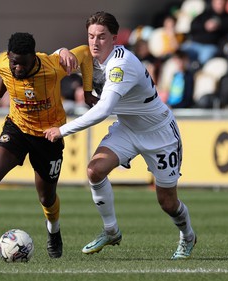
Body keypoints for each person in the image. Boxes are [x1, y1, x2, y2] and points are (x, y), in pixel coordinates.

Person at [44, 11, 197, 260]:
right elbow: (49, 63)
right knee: (94, 170)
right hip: (127, 128)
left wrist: (61, 131)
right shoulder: (89, 55)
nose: (95, 42)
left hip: (159, 133)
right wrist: (61, 51)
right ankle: (111, 230)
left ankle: (188, 235)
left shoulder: (121, 64)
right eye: (91, 36)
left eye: (102, 37)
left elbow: (103, 111)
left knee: (167, 202)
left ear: (114, 38)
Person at [0, 32, 93, 260]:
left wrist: (88, 91)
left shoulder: (52, 67)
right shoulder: (4, 62)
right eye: (14, 62)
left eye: (23, 63)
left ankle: (54, 232)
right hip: (17, 128)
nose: (17, 68)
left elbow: (86, 53)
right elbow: (4, 75)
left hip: (48, 135)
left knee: (46, 197)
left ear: (34, 57)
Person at [180, 0, 228, 66]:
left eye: (221, 3)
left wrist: (219, 26)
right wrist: (204, 25)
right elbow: (193, 26)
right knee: (181, 53)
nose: (219, 5)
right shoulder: (205, 14)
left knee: (203, 59)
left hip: (211, 47)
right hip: (195, 44)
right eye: (217, 3)